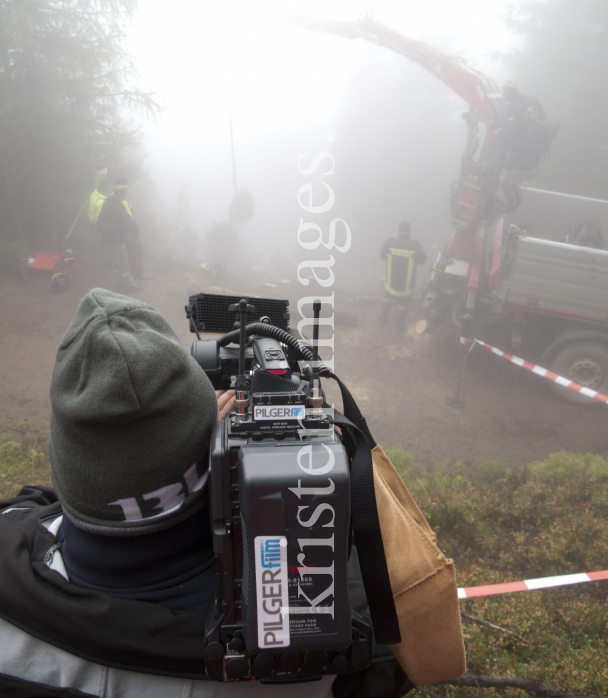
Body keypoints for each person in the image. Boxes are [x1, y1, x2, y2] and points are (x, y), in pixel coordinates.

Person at [0, 290, 414, 698]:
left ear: (66, 459)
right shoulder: (331, 641)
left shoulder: (12, 566)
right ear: (213, 454)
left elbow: (44, 505)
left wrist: (186, 443)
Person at [379, 222, 427, 331]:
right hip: (406, 286)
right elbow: (422, 260)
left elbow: (382, 256)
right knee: (402, 304)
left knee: (387, 297)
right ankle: (399, 324)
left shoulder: (390, 243)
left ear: (399, 230)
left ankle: (383, 317)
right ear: (409, 231)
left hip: (391, 283)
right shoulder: (414, 246)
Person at [97, 183, 141, 292]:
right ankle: (130, 285)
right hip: (117, 239)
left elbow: (101, 219)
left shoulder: (109, 201)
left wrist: (103, 234)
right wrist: (126, 234)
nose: (126, 195)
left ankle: (119, 281)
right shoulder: (116, 207)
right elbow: (119, 224)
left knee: (115, 261)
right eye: (125, 193)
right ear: (122, 193)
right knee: (123, 261)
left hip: (107, 238)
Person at [501, 82, 546, 169]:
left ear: (510, 94)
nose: (503, 95)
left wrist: (500, 131)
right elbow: (542, 116)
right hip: (539, 138)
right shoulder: (533, 100)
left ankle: (510, 168)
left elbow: (514, 128)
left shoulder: (512, 109)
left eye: (504, 94)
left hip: (524, 145)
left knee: (502, 139)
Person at [114, 175, 148, 280]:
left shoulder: (113, 197)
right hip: (129, 231)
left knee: (128, 251)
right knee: (136, 250)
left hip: (121, 230)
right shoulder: (123, 200)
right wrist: (137, 228)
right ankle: (138, 273)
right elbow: (130, 217)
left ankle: (133, 272)